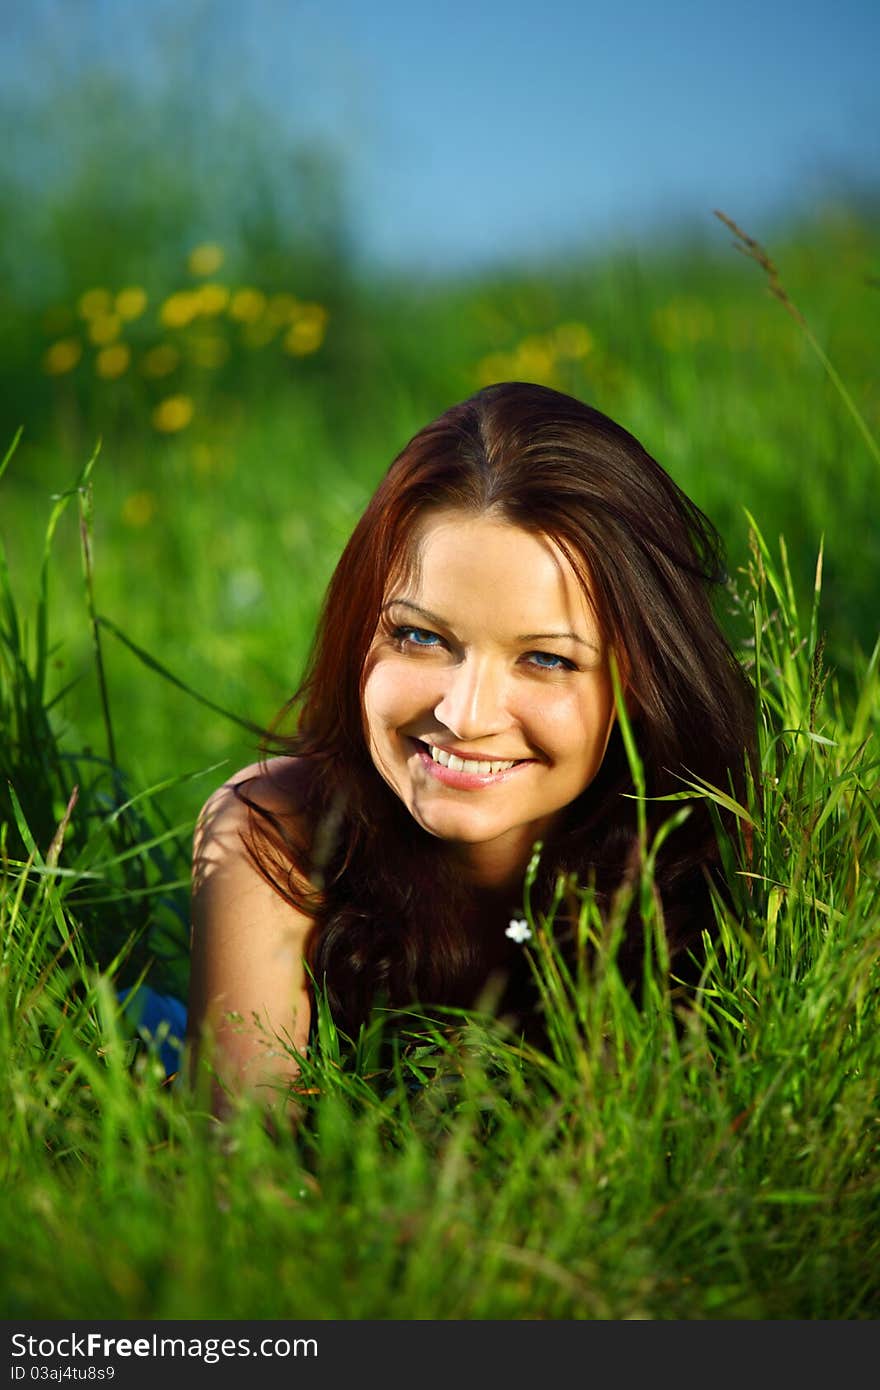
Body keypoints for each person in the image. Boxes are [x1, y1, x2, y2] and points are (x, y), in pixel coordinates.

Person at [186, 381, 755, 1112]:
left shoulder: (731, 863)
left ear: (642, 683)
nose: (464, 714)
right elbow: (243, 1171)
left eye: (547, 658)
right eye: (420, 637)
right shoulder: (276, 833)